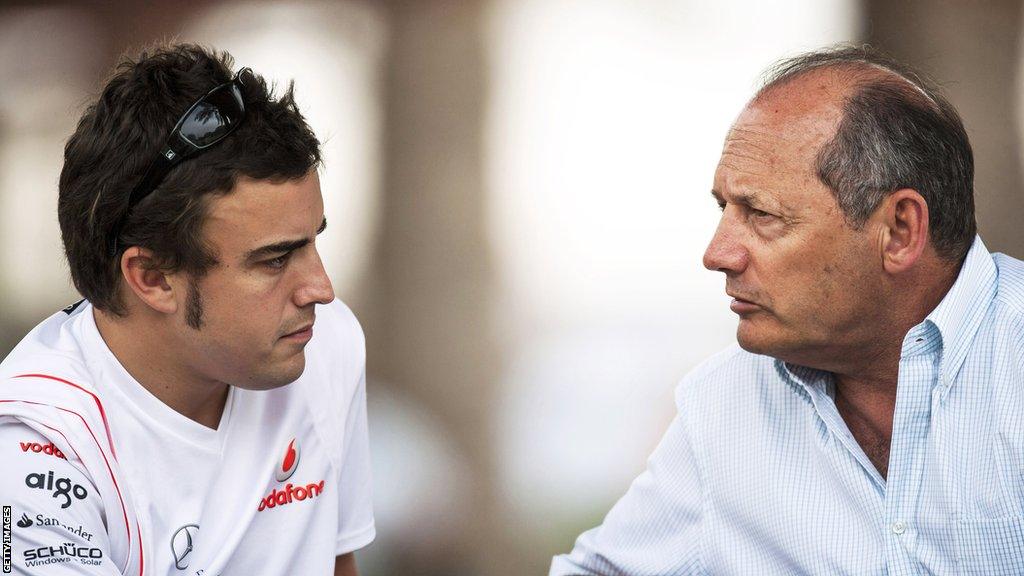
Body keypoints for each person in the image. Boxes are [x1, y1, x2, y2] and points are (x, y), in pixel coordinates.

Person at [550, 45, 1024, 575]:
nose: (717, 254)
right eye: (724, 209)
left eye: (762, 215)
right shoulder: (723, 407)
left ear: (900, 231)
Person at [0, 44, 374, 575]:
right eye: (274, 260)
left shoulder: (325, 344)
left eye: (314, 241)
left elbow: (337, 563)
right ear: (151, 278)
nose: (321, 289)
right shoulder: (33, 452)